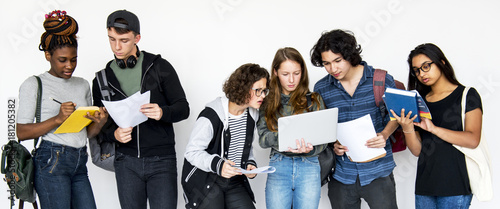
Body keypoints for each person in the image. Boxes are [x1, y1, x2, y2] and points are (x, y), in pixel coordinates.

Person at [91, 10, 190, 209]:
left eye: (124, 40)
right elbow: (99, 126)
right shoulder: (101, 80)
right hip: (125, 162)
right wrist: (114, 135)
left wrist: (163, 112)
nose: (116, 46)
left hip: (162, 161)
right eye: (111, 39)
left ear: (137, 38)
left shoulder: (160, 67)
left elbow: (183, 109)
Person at [16, 10, 107, 209]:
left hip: (79, 162)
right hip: (51, 162)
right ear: (48, 55)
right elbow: (21, 132)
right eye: (62, 60)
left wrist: (99, 123)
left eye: (73, 59)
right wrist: (57, 119)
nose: (69, 66)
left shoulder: (82, 84)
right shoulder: (34, 84)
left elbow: (86, 133)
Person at [310, 29, 399, 209]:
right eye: (326, 63)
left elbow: (397, 116)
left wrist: (385, 134)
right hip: (342, 175)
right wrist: (333, 143)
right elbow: (323, 125)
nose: (333, 69)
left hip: (378, 172)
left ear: (350, 55)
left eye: (337, 61)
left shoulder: (380, 80)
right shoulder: (321, 88)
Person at [389, 43, 482, 209]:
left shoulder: (466, 95)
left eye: (426, 66)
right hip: (425, 185)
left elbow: (473, 139)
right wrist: (407, 127)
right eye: (417, 70)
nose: (422, 74)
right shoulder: (419, 100)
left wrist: (434, 129)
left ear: (442, 63)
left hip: (455, 186)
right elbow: (417, 150)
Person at [182, 63, 269, 209]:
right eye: (258, 90)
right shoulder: (211, 116)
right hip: (208, 182)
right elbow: (192, 152)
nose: (263, 95)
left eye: (264, 90)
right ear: (242, 88)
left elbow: (244, 147)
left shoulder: (252, 114)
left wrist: (250, 164)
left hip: (235, 181)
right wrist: (219, 164)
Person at [257, 47, 326, 209]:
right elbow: (262, 139)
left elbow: (324, 140)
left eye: (296, 73)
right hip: (279, 165)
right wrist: (287, 139)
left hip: (309, 166)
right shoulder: (266, 101)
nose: (291, 80)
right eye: (285, 74)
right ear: (275, 72)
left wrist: (308, 149)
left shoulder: (314, 100)